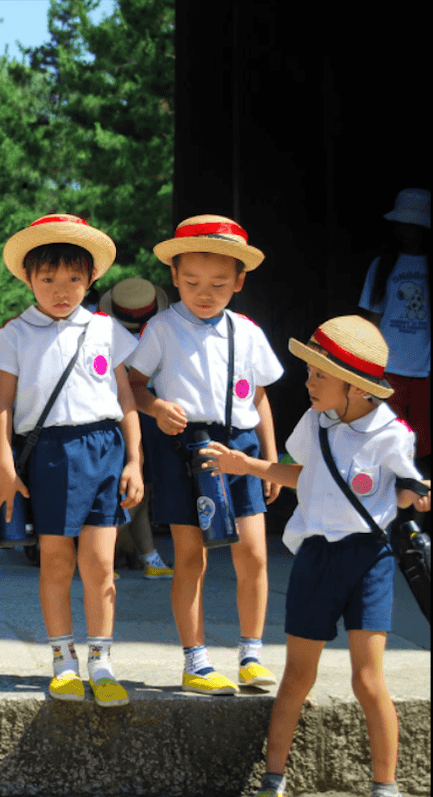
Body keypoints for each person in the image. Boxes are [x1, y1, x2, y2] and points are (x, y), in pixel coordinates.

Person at [201, 316, 430, 797]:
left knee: (369, 681)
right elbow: (302, 475)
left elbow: (408, 491)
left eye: (318, 374)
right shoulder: (313, 423)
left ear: (355, 386)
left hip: (371, 561)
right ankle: (273, 778)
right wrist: (244, 465)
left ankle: (385, 787)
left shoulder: (393, 435)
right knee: (297, 676)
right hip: (316, 559)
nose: (307, 382)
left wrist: (418, 494)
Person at [0, 214, 143, 707]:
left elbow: (126, 398)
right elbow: (2, 405)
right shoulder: (15, 335)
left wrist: (135, 460)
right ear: (28, 279)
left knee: (100, 562)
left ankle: (102, 659)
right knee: (55, 560)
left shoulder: (105, 329)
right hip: (50, 453)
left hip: (104, 448)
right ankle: (62, 660)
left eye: (74, 278)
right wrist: (5, 466)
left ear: (91, 279)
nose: (61, 289)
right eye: (48, 279)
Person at [125, 214, 283, 695]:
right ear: (174, 277)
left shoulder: (247, 331)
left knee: (253, 554)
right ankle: (196, 660)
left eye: (218, 283)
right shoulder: (161, 328)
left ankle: (252, 654)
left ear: (238, 281)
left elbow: (258, 397)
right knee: (191, 557)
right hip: (184, 448)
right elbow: (131, 384)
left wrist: (272, 457)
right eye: (192, 281)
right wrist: (155, 407)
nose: (205, 292)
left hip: (240, 448)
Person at [98, 277, 175, 579]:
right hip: (123, 413)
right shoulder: (104, 332)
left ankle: (143, 553)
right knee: (123, 487)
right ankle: (116, 553)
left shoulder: (160, 330)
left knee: (144, 488)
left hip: (155, 413)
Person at [359, 188, 430, 468]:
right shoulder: (382, 266)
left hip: (424, 373)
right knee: (385, 442)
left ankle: (419, 508)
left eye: (410, 224)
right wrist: (370, 369)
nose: (404, 230)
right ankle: (388, 508)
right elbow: (372, 320)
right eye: (400, 224)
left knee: (421, 450)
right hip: (388, 372)